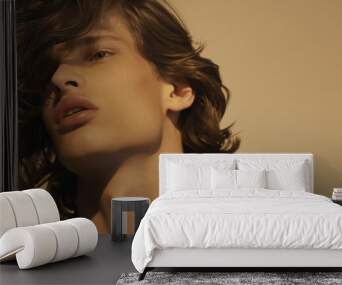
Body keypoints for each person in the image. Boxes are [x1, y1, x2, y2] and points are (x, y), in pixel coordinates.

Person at [17, 0, 240, 233]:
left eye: (97, 54)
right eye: (46, 72)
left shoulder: (242, 246)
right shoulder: (19, 256)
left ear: (176, 88)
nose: (59, 77)